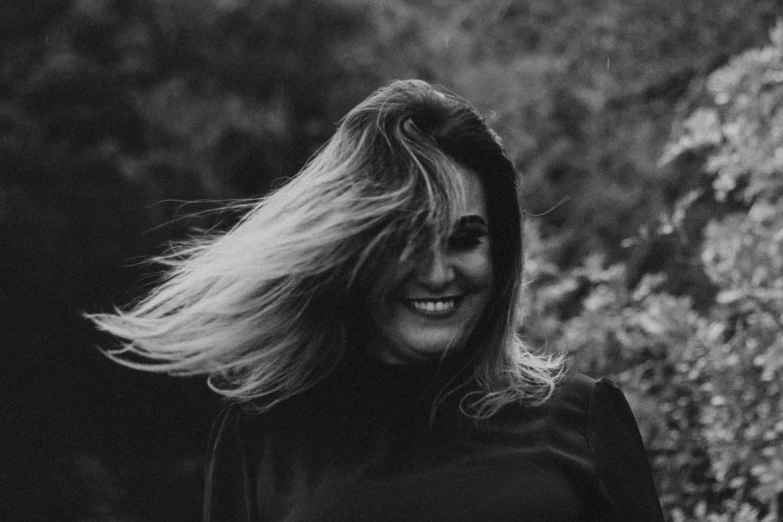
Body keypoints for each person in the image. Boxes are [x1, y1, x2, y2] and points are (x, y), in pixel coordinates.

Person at [89, 79, 665, 521]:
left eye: (465, 239)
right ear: (352, 252)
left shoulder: (581, 418)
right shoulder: (264, 438)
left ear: (504, 253)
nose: (439, 273)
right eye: (405, 242)